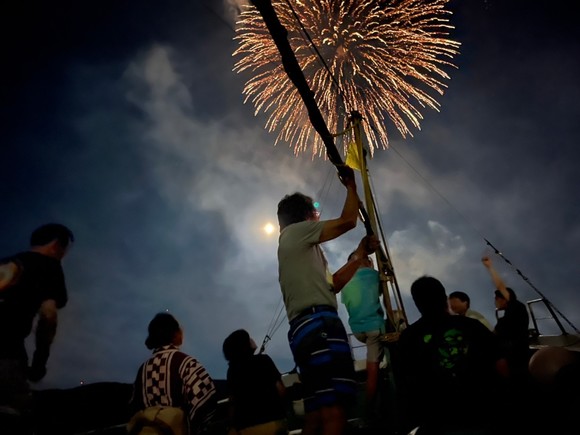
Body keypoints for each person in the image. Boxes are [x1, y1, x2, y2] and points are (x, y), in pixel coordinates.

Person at [277, 165, 380, 435]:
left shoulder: (296, 249)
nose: (318, 219)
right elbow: (348, 221)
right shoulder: (297, 232)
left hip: (302, 329)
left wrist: (359, 253)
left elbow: (332, 285)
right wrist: (351, 186)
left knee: (315, 411)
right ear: (306, 217)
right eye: (315, 214)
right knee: (335, 409)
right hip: (319, 323)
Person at [397, 276, 506, 434]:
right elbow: (501, 364)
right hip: (483, 415)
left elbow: (405, 388)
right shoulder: (473, 326)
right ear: (444, 299)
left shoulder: (408, 338)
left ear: (417, 304)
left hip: (436, 423)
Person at [0, 223, 74, 414]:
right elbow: (48, 316)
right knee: (16, 412)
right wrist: (40, 362)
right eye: (65, 249)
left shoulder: (6, 262)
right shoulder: (50, 266)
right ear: (57, 245)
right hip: (6, 351)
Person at [129, 313, 217, 435]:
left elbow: (134, 407)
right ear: (175, 334)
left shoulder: (142, 369)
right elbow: (206, 400)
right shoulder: (186, 363)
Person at [340, 252, 385, 421]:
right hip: (374, 326)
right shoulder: (373, 275)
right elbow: (381, 292)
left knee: (373, 356)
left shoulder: (344, 282)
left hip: (357, 330)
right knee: (372, 369)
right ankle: (369, 411)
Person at [222, 329, 287, 435]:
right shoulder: (264, 360)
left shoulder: (232, 371)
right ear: (245, 344)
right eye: (248, 338)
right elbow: (281, 390)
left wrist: (232, 426)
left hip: (245, 428)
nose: (251, 339)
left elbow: (232, 402)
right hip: (274, 423)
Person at [481, 256, 530, 384]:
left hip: (515, 352)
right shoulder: (506, 317)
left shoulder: (515, 306)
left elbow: (500, 286)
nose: (495, 302)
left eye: (496, 298)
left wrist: (490, 267)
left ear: (502, 298)